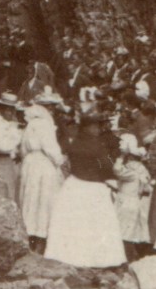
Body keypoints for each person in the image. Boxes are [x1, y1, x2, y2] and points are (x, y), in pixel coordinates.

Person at [45, 115, 126, 268]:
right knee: (95, 225)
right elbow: (107, 167)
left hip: (74, 185)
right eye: (94, 127)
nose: (97, 130)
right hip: (93, 187)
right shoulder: (97, 146)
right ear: (86, 128)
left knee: (75, 224)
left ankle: (71, 258)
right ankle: (96, 261)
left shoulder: (75, 143)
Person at [17, 91, 67, 248]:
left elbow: (23, 148)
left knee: (30, 198)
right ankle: (40, 238)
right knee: (43, 200)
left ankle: (30, 235)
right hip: (42, 164)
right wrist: (60, 160)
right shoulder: (45, 124)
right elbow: (50, 147)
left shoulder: (31, 124)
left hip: (30, 162)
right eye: (51, 107)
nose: (52, 111)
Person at [113, 132, 153, 261]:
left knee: (123, 232)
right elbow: (147, 187)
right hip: (135, 201)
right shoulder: (143, 171)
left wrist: (120, 156)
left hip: (126, 202)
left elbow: (117, 170)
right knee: (129, 232)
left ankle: (125, 258)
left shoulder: (131, 171)